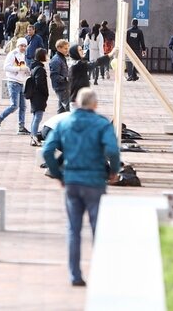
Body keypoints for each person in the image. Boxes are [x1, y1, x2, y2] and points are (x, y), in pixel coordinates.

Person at [42, 88, 120, 287]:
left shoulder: (65, 123)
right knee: (98, 229)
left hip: (72, 180)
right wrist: (113, 170)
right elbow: (112, 149)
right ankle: (100, 273)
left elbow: (48, 150)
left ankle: (75, 275)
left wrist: (58, 174)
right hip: (94, 181)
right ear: (94, 104)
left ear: (76, 102)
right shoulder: (102, 124)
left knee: (73, 230)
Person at [0, 38, 30, 136]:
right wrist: (19, 68)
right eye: (21, 45)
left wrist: (26, 71)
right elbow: (6, 67)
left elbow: (21, 67)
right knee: (14, 105)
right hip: (13, 82)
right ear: (17, 45)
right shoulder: (12, 54)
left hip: (20, 82)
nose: (23, 47)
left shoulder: (22, 55)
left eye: (25, 46)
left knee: (23, 106)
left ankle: (21, 127)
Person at [28, 49, 49, 146]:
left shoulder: (34, 67)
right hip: (39, 96)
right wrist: (45, 93)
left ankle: (33, 136)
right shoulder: (40, 69)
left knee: (36, 116)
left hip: (35, 95)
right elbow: (40, 83)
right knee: (38, 117)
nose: (47, 56)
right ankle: (34, 137)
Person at [50, 39, 71, 114]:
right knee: (69, 108)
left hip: (63, 86)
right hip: (61, 87)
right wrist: (66, 79)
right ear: (59, 48)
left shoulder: (61, 58)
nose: (67, 50)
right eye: (65, 48)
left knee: (61, 110)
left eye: (67, 48)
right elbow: (54, 76)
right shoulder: (56, 60)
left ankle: (58, 124)